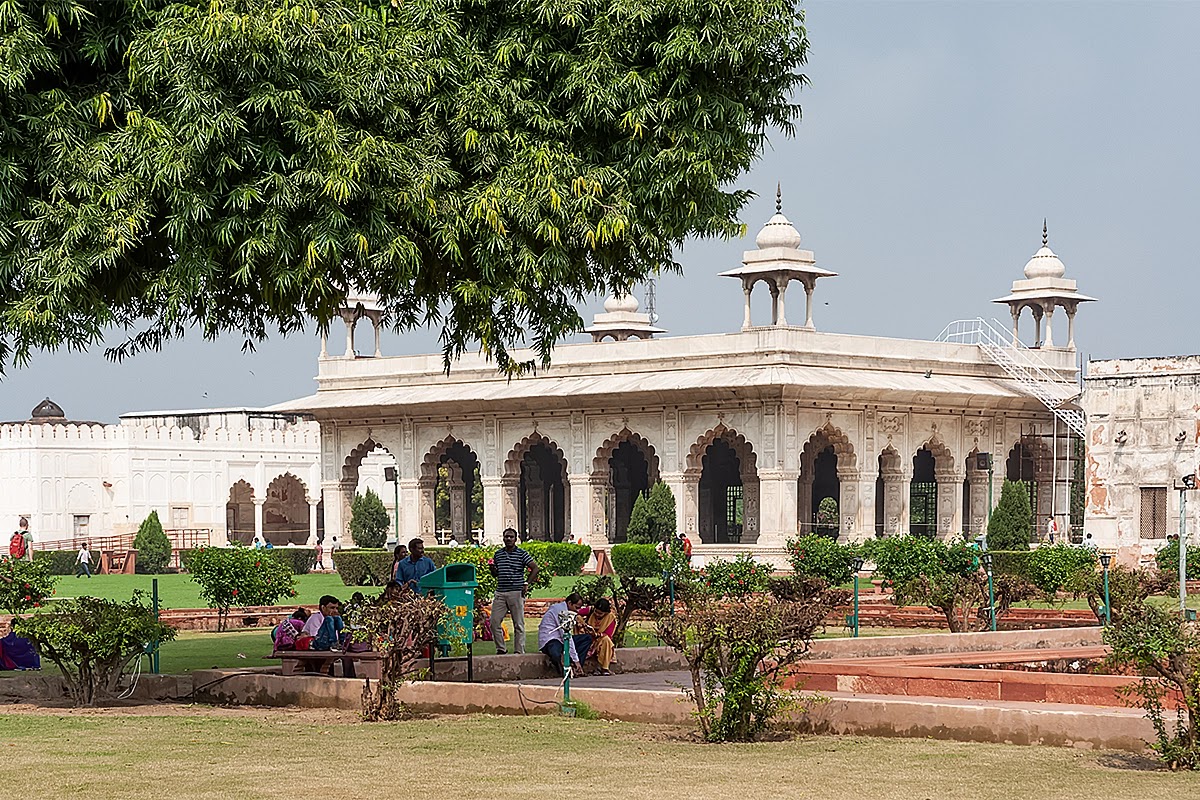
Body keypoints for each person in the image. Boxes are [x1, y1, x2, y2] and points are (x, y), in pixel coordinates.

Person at [489, 527, 539, 655]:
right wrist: (492, 568)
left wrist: (527, 583)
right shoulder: (498, 554)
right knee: (494, 622)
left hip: (516, 592)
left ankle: (519, 651)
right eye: (506, 537)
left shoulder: (522, 554)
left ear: (515, 539)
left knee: (518, 624)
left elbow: (535, 568)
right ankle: (501, 648)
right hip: (501, 592)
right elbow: (496, 574)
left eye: (511, 537)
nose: (508, 539)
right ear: (503, 538)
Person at [538, 593, 587, 677]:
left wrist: (576, 660)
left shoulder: (569, 611)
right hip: (550, 640)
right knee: (555, 653)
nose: (578, 611)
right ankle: (565, 671)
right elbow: (564, 634)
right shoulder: (560, 611)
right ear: (569, 603)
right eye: (576, 607)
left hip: (561, 640)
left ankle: (577, 669)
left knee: (586, 639)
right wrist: (576, 659)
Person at [576, 598, 617, 675]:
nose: (597, 615)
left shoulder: (610, 618)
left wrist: (596, 634)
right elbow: (576, 613)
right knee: (577, 618)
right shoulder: (590, 610)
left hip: (600, 640)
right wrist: (582, 623)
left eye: (600, 613)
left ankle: (604, 668)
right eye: (596, 612)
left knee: (606, 640)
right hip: (587, 638)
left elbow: (608, 634)